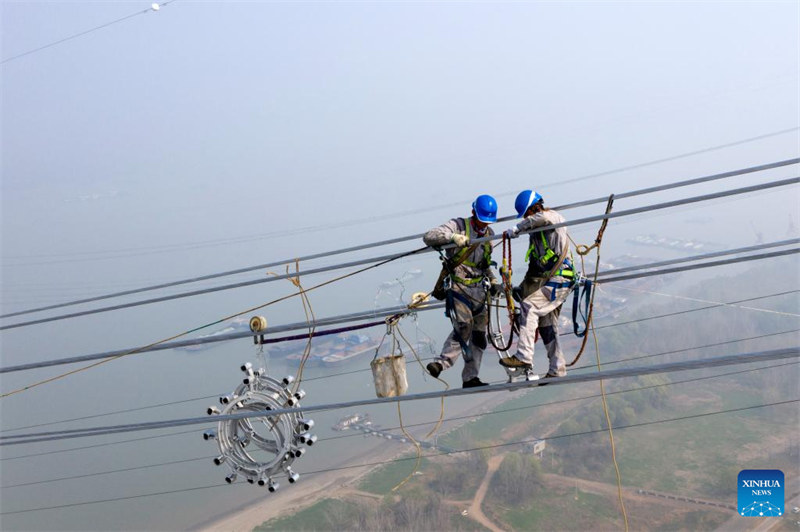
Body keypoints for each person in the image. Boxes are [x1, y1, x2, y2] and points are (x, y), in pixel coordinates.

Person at [423, 194, 501, 388]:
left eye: (486, 223)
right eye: (481, 221)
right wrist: (452, 238)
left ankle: (470, 377)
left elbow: (485, 265)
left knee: (479, 336)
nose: (483, 226)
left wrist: (493, 280)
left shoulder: (488, 234)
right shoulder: (458, 225)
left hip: (479, 290)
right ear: (473, 212)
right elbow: (428, 237)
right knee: (464, 326)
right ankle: (441, 363)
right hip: (459, 286)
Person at [499, 190, 575, 378]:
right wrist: (521, 289)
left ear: (535, 208)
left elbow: (541, 218)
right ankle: (557, 369)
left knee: (529, 307)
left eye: (527, 214)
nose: (526, 218)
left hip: (561, 281)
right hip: (551, 281)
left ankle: (524, 356)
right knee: (547, 324)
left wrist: (517, 228)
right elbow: (534, 268)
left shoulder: (552, 217)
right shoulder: (537, 235)